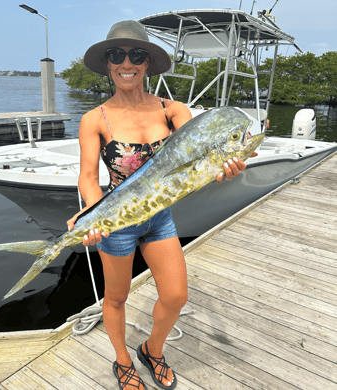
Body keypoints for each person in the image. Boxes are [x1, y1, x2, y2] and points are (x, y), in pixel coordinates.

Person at [67, 20, 248, 390]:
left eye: (136, 55)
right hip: (115, 222)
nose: (126, 62)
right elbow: (87, 176)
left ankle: (152, 349)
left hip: (158, 219)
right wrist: (93, 213)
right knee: (115, 299)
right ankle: (122, 361)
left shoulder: (173, 110)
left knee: (176, 295)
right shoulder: (93, 119)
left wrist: (226, 168)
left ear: (148, 62)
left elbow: (200, 152)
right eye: (117, 55)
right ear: (107, 64)